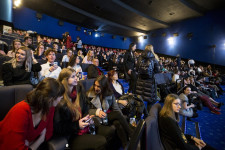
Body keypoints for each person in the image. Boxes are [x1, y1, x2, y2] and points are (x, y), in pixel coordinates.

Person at [0, 78, 65, 150]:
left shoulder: (50, 108)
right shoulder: (20, 111)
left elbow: (48, 133)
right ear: (50, 99)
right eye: (60, 97)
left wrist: (31, 144)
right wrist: (40, 139)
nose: (60, 100)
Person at [55, 68, 107, 150]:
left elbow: (86, 108)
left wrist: (87, 118)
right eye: (72, 76)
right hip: (71, 135)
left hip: (83, 127)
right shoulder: (60, 99)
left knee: (108, 132)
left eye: (75, 75)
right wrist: (77, 125)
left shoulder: (78, 89)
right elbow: (58, 127)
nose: (76, 78)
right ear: (65, 80)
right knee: (101, 141)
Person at [87, 75, 132, 148]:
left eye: (98, 86)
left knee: (117, 122)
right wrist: (97, 112)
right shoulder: (89, 94)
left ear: (104, 86)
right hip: (96, 119)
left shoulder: (109, 94)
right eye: (95, 85)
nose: (96, 88)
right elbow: (86, 111)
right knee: (117, 115)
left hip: (105, 118)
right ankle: (131, 133)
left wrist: (121, 119)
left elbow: (116, 108)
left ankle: (125, 145)